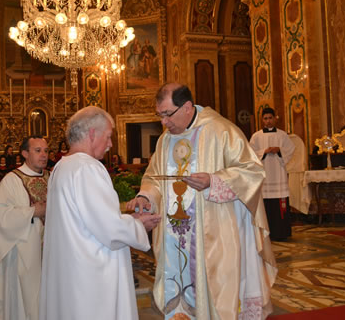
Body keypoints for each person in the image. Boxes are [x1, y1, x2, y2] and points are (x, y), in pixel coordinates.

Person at [126, 83, 277, 319]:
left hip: (214, 232)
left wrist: (213, 182)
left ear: (187, 107)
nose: (163, 122)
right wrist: (145, 195)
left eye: (167, 114)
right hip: (174, 235)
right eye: (160, 115)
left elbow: (252, 172)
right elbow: (153, 177)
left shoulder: (222, 131)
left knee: (215, 293)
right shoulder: (165, 140)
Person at [39, 106, 161, 320]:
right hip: (91, 279)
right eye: (109, 136)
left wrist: (129, 219)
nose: (111, 144)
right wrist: (140, 226)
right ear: (93, 134)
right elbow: (110, 231)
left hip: (71, 271)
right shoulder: (87, 168)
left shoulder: (62, 167)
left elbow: (86, 220)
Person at [0, 136, 49, 320]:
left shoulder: (52, 177)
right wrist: (33, 212)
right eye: (38, 150)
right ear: (25, 153)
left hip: (49, 251)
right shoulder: (11, 180)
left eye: (46, 151)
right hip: (21, 252)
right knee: (23, 301)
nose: (43, 155)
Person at [250, 107, 295, 241]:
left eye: (270, 118)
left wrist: (279, 150)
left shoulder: (282, 135)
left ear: (275, 118)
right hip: (265, 176)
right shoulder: (256, 136)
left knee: (279, 205)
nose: (268, 121)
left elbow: (290, 150)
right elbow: (250, 153)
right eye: (265, 119)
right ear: (262, 120)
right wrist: (264, 151)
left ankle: (281, 233)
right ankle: (266, 233)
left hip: (278, 173)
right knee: (266, 205)